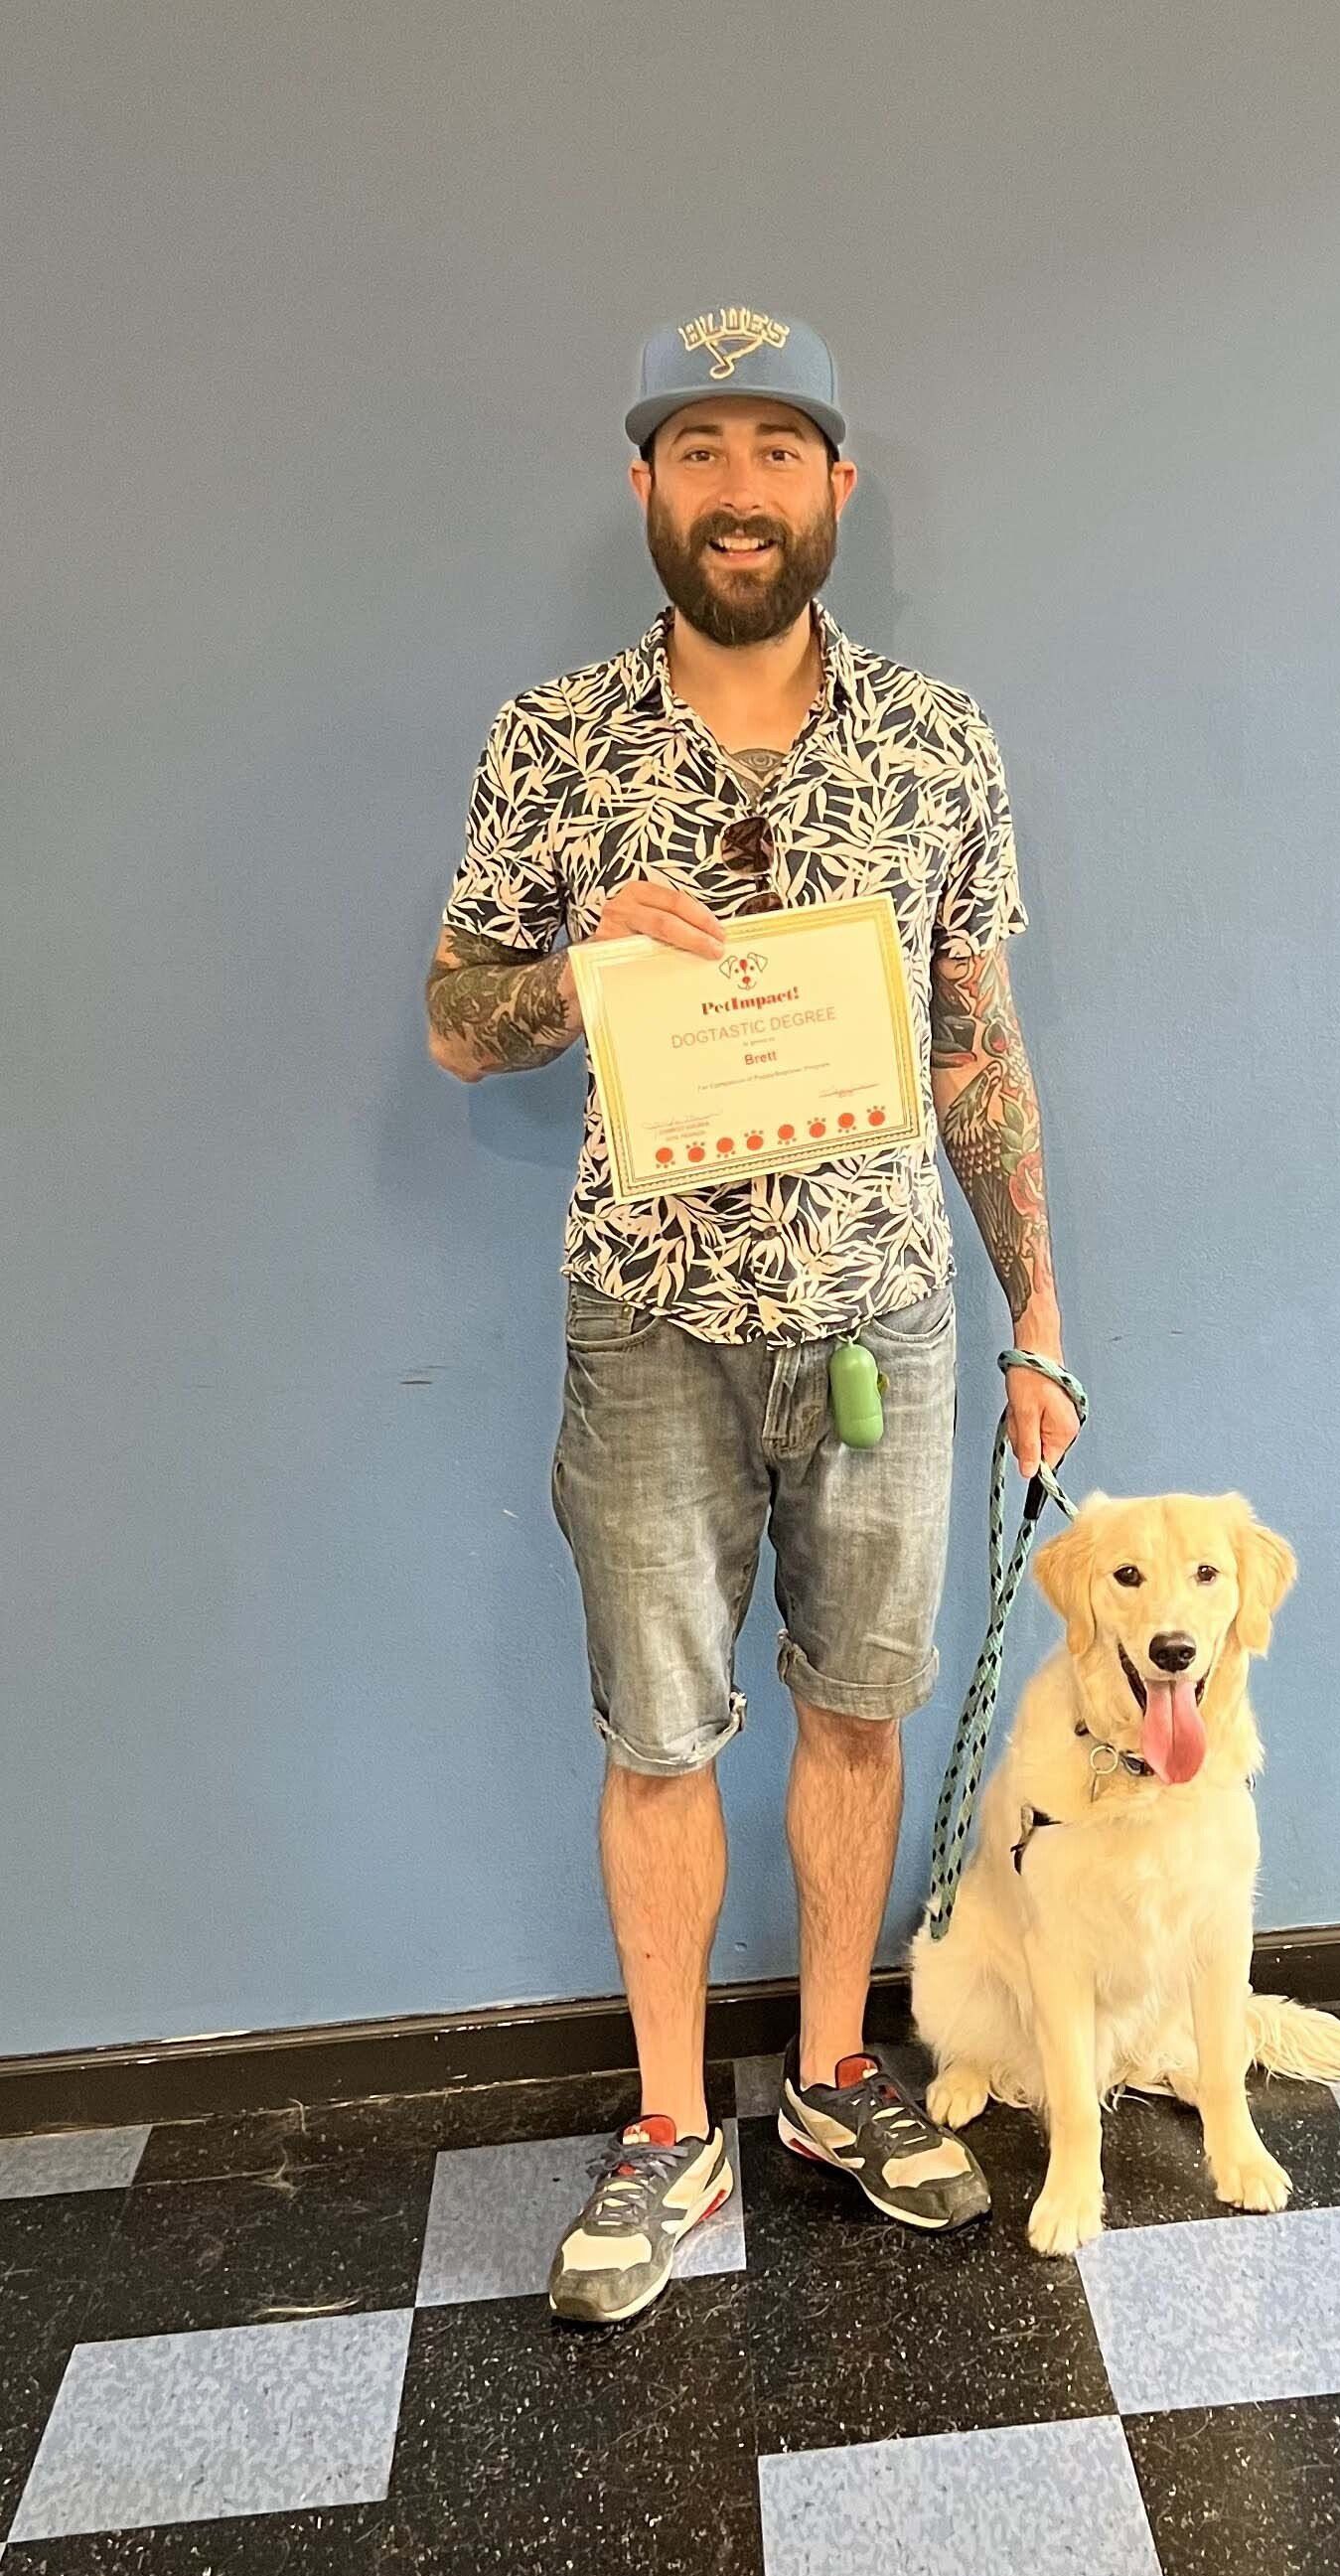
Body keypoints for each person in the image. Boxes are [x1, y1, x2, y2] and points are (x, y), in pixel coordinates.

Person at [425, 307, 1079, 2325]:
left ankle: (822, 2079)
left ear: (832, 492)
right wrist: (582, 973)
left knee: (858, 1708)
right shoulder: (554, 740)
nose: (735, 491)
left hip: (881, 1315)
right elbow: (458, 1025)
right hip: (647, 1320)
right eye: (696, 452)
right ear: (646, 490)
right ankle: (656, 2128)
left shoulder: (935, 741)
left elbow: (976, 1044)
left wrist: (1037, 1309)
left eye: (774, 452)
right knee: (656, 1730)